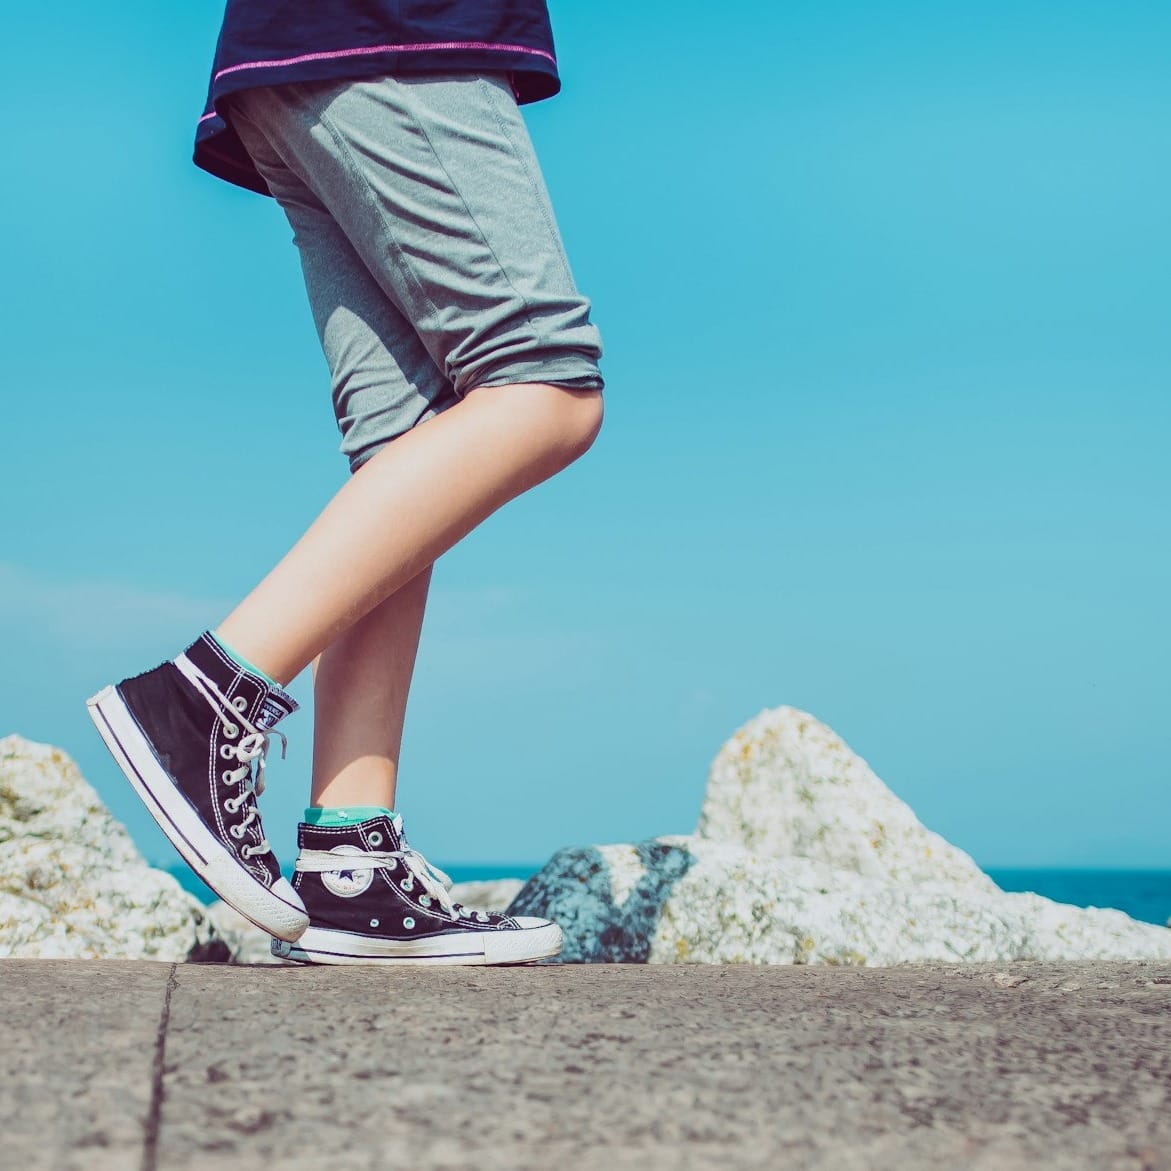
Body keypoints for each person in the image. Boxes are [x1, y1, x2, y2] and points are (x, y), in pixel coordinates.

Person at [86, 0, 604, 966]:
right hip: (401, 33)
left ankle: (348, 860)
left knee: (407, 449)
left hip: (293, 58)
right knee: (545, 381)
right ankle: (201, 698)